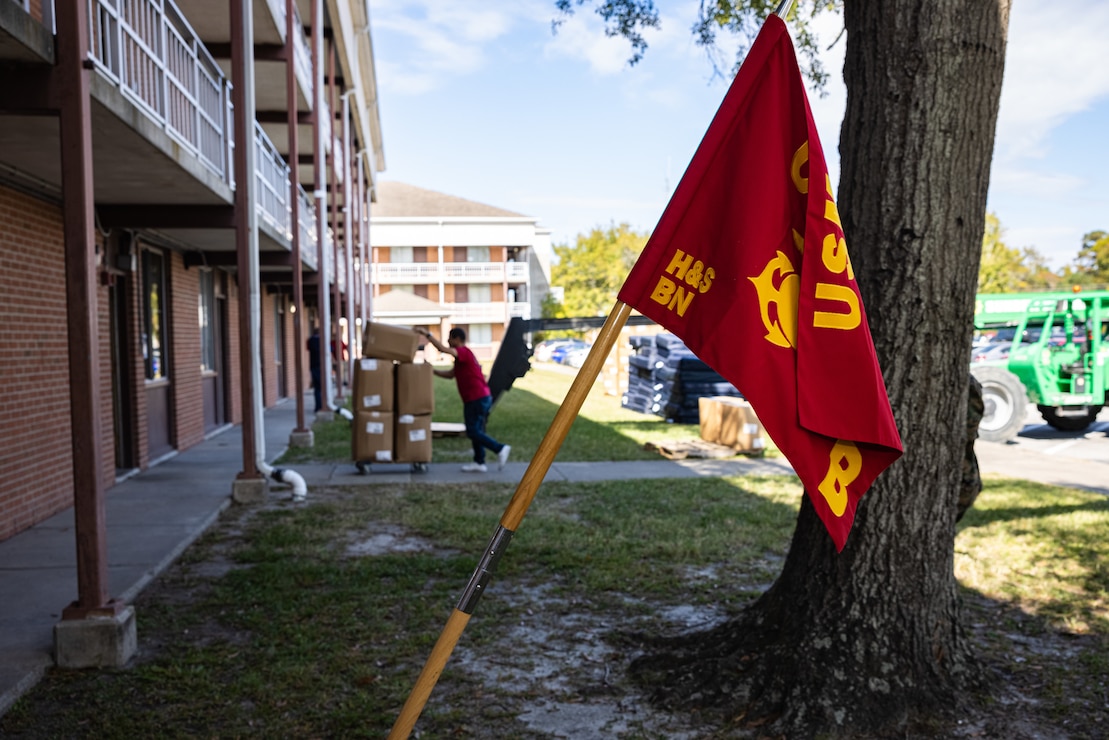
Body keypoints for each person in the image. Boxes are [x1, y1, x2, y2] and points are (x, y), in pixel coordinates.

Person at [416, 326, 510, 473]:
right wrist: (431, 371)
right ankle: (479, 462)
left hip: (476, 398)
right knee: (476, 430)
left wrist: (427, 334)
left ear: (457, 339)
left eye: (450, 338)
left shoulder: (463, 352)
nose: (448, 341)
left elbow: (442, 349)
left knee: (472, 431)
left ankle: (500, 448)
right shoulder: (461, 358)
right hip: (478, 397)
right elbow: (450, 374)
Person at [307, 327, 322, 413]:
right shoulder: (322, 340)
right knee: (322, 387)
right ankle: (321, 405)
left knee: (317, 388)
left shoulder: (310, 340)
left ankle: (317, 406)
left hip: (313, 366)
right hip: (321, 366)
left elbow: (308, 348)